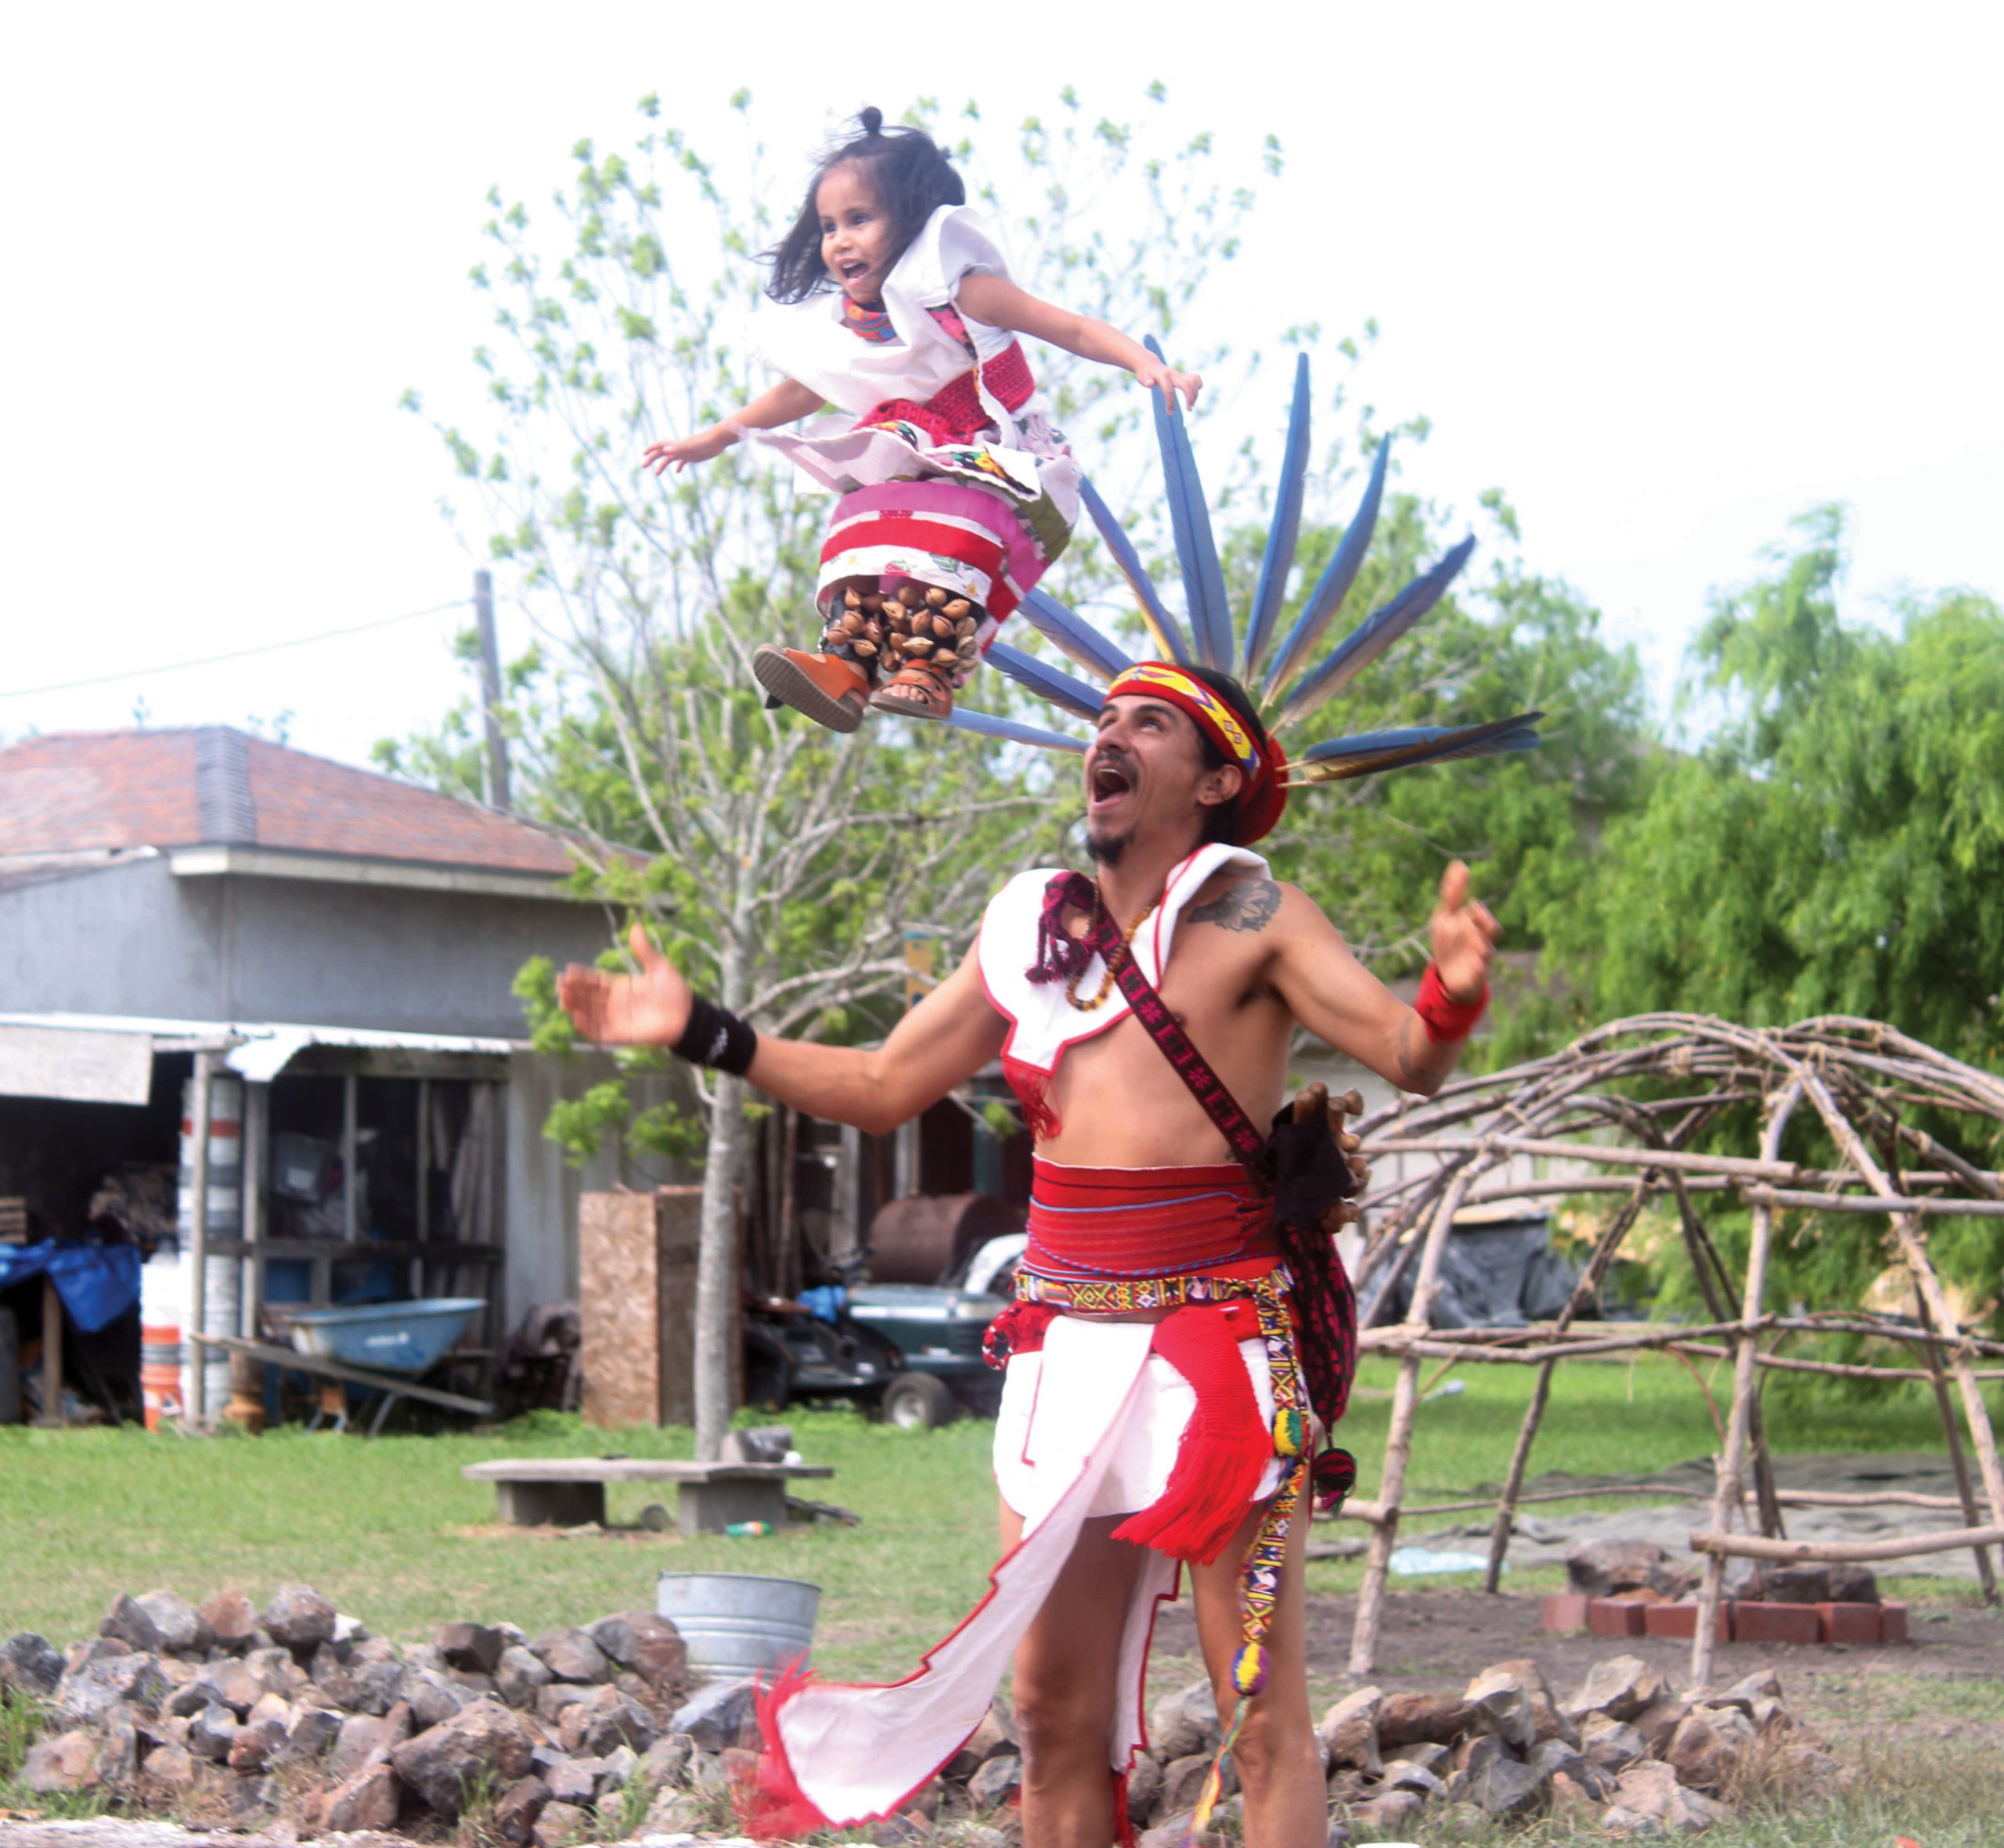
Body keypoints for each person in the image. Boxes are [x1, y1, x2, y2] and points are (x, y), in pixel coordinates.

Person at [557, 662, 1498, 1848]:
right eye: (1104, 719)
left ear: (1216, 781)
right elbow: (882, 1084)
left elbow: (1407, 1054)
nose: (1110, 735)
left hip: (1215, 1347)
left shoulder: (1255, 915)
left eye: (1148, 723)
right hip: (1064, 1348)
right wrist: (704, 1031)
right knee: (1051, 1715)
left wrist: (1451, 994)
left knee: (1258, 1716)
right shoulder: (1032, 927)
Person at [641, 108, 1200, 731]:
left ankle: (928, 668)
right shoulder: (849, 326)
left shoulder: (960, 294)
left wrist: (1144, 362)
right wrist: (716, 437)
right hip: (918, 457)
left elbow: (1067, 327)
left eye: (859, 220)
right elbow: (800, 392)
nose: (840, 241)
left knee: (947, 534)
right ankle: (846, 666)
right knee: (863, 519)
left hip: (1005, 464)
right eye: (828, 227)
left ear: (911, 220)